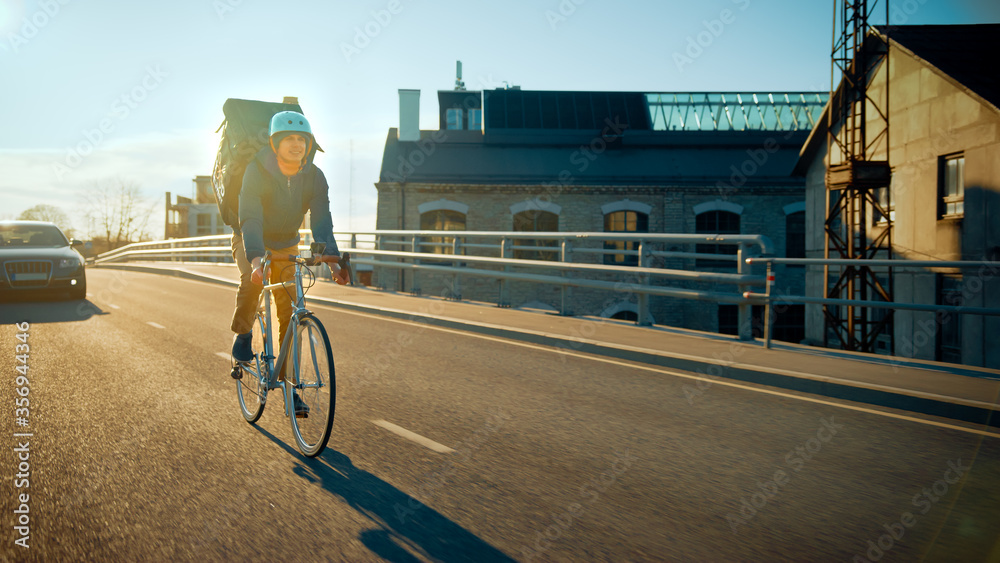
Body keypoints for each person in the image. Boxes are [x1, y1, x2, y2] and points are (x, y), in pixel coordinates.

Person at [230, 110, 347, 416]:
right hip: (250, 238)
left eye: (302, 139)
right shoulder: (256, 171)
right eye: (289, 139)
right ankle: (243, 334)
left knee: (290, 313)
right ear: (275, 143)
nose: (297, 144)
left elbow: (322, 219)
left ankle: (290, 389)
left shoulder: (314, 176)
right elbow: (251, 216)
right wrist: (256, 258)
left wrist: (332, 258)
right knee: (251, 282)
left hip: (286, 244)